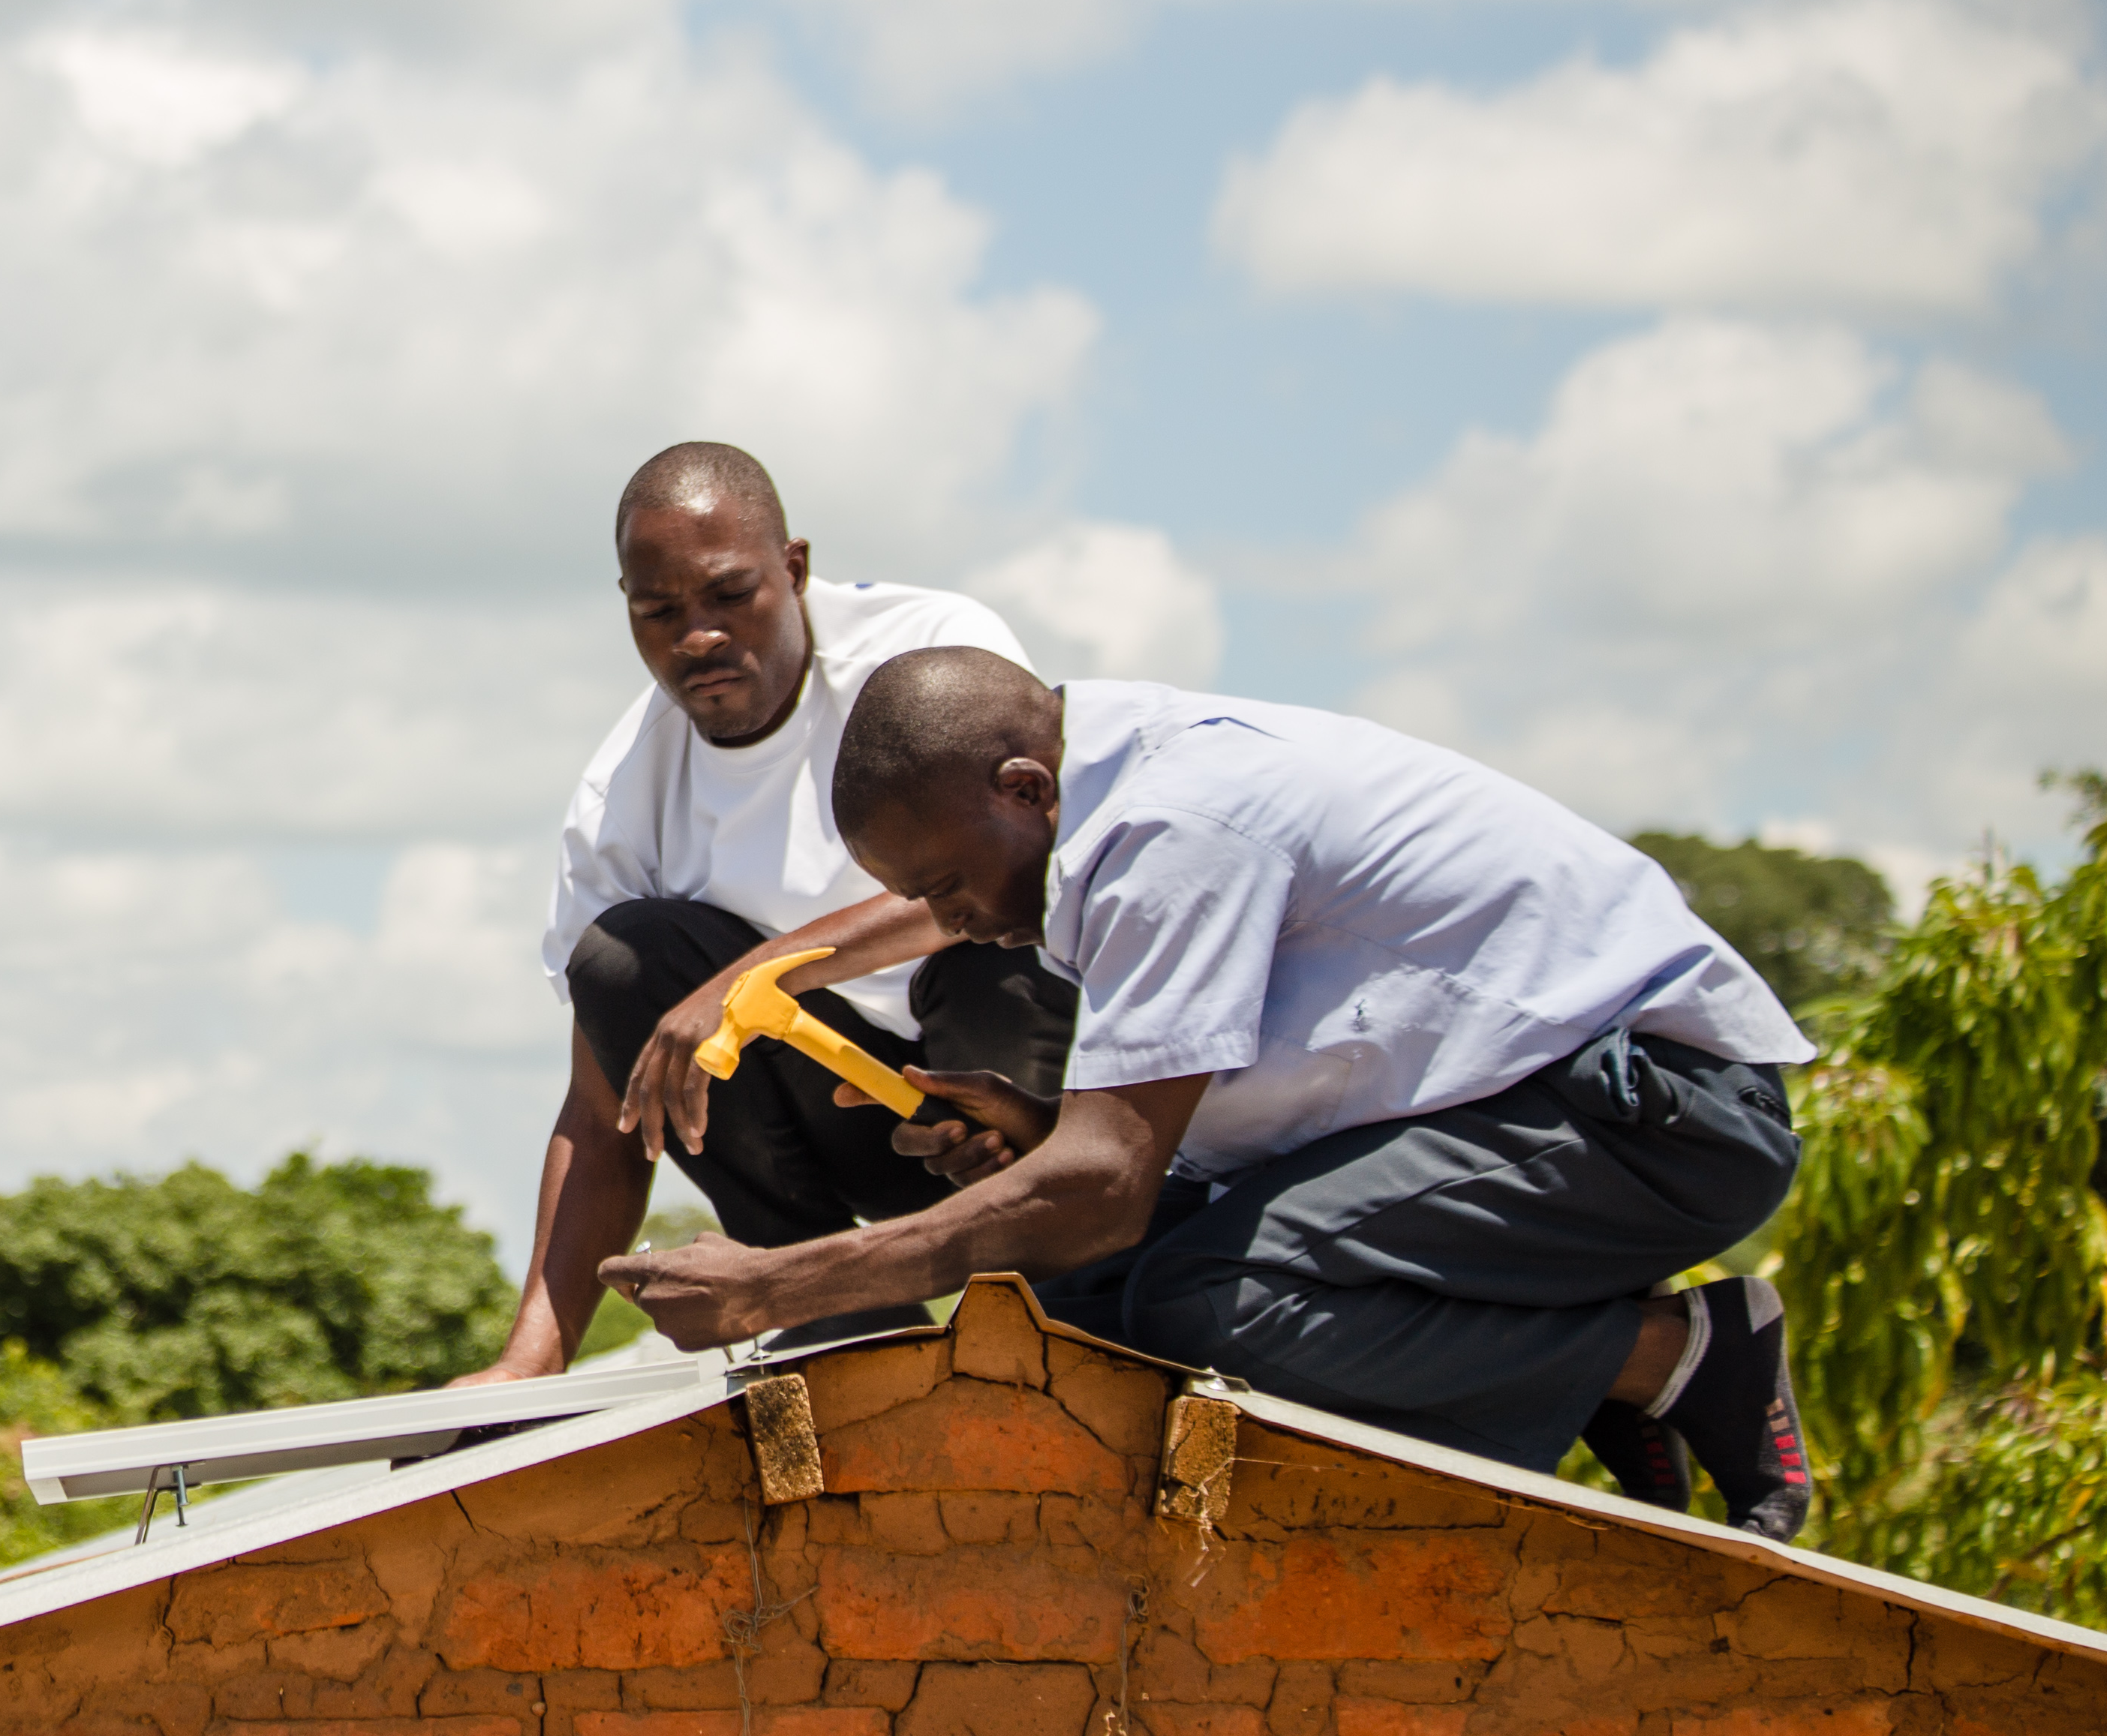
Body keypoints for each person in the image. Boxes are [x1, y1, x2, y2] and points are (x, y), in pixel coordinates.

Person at [597, 648, 1820, 1537]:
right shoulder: (1110, 802)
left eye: (950, 882)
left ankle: (1670, 1354)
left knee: (1206, 1301)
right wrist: (1040, 1131)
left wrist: (778, 1283)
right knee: (1074, 1298)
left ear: (1024, 787)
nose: (953, 922)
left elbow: (1103, 1187)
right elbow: (1152, 1154)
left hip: (1657, 1114)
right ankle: (1596, 1373)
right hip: (1520, 1117)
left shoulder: (1175, 826)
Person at [458, 443, 1077, 1383]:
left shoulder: (930, 649)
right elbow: (603, 1105)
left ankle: (1072, 1305)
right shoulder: (623, 795)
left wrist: (753, 977)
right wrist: (528, 1362)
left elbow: (1011, 878)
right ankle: (837, 1315)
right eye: (658, 612)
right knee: (625, 958)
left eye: (728, 596)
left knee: (992, 949)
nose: (697, 636)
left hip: (1009, 1098)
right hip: (840, 1126)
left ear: (794, 569)